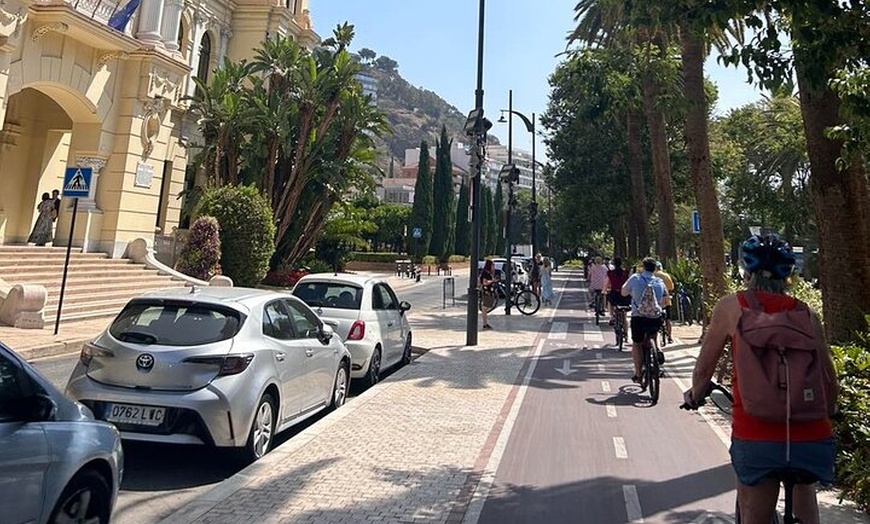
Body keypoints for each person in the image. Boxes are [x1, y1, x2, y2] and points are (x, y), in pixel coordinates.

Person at [682, 233, 837, 524]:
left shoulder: (730, 307)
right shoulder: (807, 314)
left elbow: (704, 369)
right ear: (788, 274)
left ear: (746, 271)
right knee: (806, 495)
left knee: (755, 510)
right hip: (810, 436)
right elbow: (829, 378)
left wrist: (695, 394)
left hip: (756, 435)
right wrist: (830, 410)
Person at [621, 257, 667, 383]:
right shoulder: (659, 281)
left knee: (637, 343)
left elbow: (623, 292)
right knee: (654, 333)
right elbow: (664, 299)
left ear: (643, 267)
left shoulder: (636, 278)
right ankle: (658, 350)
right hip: (655, 318)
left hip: (639, 317)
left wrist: (633, 293)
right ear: (655, 269)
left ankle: (638, 373)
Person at [603, 257, 631, 324]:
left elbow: (607, 282)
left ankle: (612, 316)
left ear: (614, 264)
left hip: (614, 293)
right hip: (624, 294)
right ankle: (625, 331)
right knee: (624, 313)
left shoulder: (610, 273)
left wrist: (604, 290)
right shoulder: (626, 272)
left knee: (610, 302)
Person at [654, 261, 675, 344]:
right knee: (668, 319)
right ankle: (669, 337)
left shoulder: (652, 275)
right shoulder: (666, 276)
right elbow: (671, 287)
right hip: (666, 300)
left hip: (655, 301)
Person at [479, 259, 496, 330]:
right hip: (487, 291)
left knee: (487, 306)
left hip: (488, 291)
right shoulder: (485, 273)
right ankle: (484, 323)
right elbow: (485, 282)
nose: (494, 267)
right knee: (485, 307)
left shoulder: (488, 272)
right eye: (493, 265)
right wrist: (492, 281)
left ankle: (485, 323)